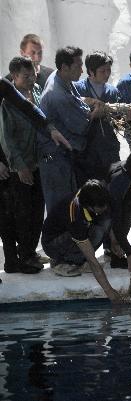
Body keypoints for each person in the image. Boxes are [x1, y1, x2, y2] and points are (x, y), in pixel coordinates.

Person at [0, 57, 46, 274]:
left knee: (37, 210)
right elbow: (7, 138)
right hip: (17, 166)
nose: (31, 79)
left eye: (33, 74)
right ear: (14, 77)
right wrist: (19, 166)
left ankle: (29, 252)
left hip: (37, 163)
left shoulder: (36, 91)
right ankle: (21, 257)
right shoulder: (7, 101)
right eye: (25, 76)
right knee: (19, 213)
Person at [39, 46, 98, 212]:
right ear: (64, 67)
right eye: (78, 66)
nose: (82, 70)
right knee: (62, 209)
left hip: (60, 156)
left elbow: (77, 103)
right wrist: (97, 112)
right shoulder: (58, 95)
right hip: (56, 159)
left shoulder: (59, 78)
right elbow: (83, 126)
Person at [41, 179, 122, 301]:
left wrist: (114, 242)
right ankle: (60, 262)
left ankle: (78, 260)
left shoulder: (102, 196)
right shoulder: (75, 214)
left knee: (104, 224)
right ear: (88, 206)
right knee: (92, 241)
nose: (103, 210)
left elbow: (109, 218)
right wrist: (109, 292)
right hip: (54, 243)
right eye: (99, 209)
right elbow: (92, 260)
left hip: (78, 231)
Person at [74, 51, 121, 180]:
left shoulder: (113, 91)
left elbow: (119, 119)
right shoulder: (77, 89)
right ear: (91, 71)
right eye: (102, 71)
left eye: (108, 70)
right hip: (86, 149)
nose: (107, 74)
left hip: (109, 146)